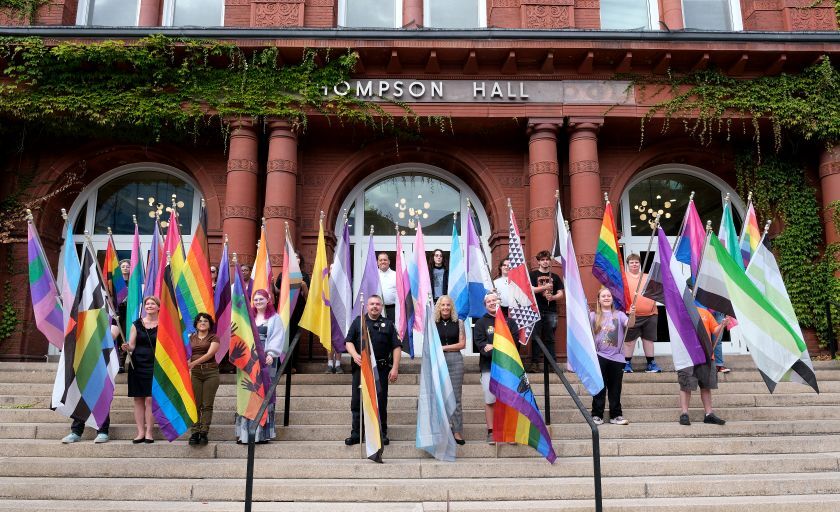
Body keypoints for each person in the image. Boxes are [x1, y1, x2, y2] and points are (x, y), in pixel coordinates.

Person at [344, 294, 401, 446]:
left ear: (381, 307)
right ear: (367, 306)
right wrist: (355, 355)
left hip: (380, 370)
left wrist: (395, 368)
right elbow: (348, 342)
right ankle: (356, 433)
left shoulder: (388, 324)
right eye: (372, 304)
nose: (375, 306)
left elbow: (396, 347)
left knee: (380, 402)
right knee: (357, 401)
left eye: (377, 304)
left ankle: (380, 433)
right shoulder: (359, 322)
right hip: (361, 369)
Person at [235, 289, 279, 444]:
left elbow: (277, 337)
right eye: (256, 299)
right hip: (248, 360)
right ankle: (244, 434)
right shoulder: (248, 318)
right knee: (248, 394)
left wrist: (271, 354)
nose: (258, 302)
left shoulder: (274, 318)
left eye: (261, 299)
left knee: (263, 393)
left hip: (266, 359)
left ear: (268, 300)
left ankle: (262, 433)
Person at [473, 291, 517, 444]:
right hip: (488, 367)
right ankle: (491, 431)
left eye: (494, 300)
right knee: (490, 400)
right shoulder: (480, 323)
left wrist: (494, 346)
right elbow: (482, 347)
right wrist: (501, 348)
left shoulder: (510, 322)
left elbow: (514, 345)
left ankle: (509, 432)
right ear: (485, 305)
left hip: (508, 368)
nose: (492, 303)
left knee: (508, 400)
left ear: (499, 301)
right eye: (489, 301)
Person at [590, 287, 635, 426]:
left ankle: (616, 415)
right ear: (599, 299)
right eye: (603, 296)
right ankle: (597, 415)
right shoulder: (593, 315)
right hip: (600, 356)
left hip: (617, 358)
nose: (606, 298)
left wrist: (633, 314)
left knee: (615, 388)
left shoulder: (619, 315)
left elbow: (630, 324)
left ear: (612, 299)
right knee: (599, 387)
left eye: (609, 295)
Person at [678, 306, 730, 426]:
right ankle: (684, 414)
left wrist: (722, 324)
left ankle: (709, 414)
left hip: (706, 354)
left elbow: (715, 330)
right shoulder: (681, 313)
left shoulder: (705, 312)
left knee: (706, 386)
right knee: (686, 385)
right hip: (687, 355)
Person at [121, 296, 159, 443]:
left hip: (155, 365)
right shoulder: (136, 324)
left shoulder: (163, 324)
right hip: (137, 364)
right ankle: (140, 432)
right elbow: (132, 345)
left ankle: (149, 432)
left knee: (150, 399)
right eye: (147, 304)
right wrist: (126, 347)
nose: (149, 306)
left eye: (152, 303)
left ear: (158, 307)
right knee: (138, 399)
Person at [434, 295, 465, 445]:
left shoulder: (459, 323)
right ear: (438, 307)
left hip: (455, 360)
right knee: (440, 396)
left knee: (456, 397)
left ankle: (457, 430)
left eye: (448, 305)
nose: (445, 307)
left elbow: (462, 344)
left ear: (451, 307)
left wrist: (443, 348)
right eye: (442, 305)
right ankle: (442, 430)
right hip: (438, 361)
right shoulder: (433, 324)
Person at [623, 253, 662, 373]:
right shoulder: (622, 277)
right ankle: (627, 364)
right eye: (632, 262)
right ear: (628, 264)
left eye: (636, 262)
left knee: (648, 340)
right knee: (629, 341)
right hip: (631, 314)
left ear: (640, 264)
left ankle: (651, 364)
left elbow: (657, 291)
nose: (634, 264)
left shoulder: (648, 276)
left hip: (650, 314)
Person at [273, 252, 311, 374]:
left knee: (294, 337)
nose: (296, 259)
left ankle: (292, 365)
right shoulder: (283, 274)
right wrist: (270, 284)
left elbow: (307, 296)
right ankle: (280, 364)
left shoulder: (304, 275)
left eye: (297, 257)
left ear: (300, 260)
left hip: (297, 310)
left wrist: (304, 285)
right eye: (293, 257)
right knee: (281, 337)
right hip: (283, 310)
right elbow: (277, 291)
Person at [188, 312, 220, 446]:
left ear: (209, 324)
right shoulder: (190, 338)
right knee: (195, 404)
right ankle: (194, 432)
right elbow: (187, 354)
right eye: (200, 321)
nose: (202, 323)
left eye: (205, 321)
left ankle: (204, 432)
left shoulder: (214, 337)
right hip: (194, 373)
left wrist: (194, 363)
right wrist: (188, 366)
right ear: (196, 324)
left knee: (207, 404)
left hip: (210, 372)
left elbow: (210, 353)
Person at [528, 250, 564, 369]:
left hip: (550, 310)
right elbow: (530, 289)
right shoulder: (533, 275)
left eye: (547, 259)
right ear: (538, 261)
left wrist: (553, 297)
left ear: (550, 261)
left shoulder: (555, 277)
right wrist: (544, 287)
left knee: (550, 338)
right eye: (542, 260)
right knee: (536, 337)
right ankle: (535, 363)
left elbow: (561, 293)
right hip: (535, 310)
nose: (545, 262)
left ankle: (552, 364)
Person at [377, 253, 397, 320]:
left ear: (389, 262)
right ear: (377, 262)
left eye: (385, 260)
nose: (383, 262)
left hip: (393, 309)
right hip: (377, 309)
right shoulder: (373, 275)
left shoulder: (396, 275)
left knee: (393, 329)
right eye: (381, 260)